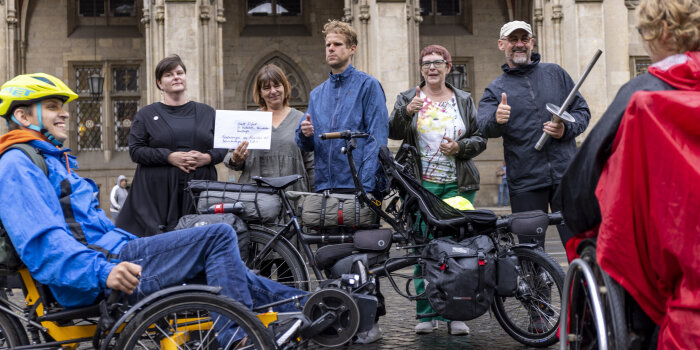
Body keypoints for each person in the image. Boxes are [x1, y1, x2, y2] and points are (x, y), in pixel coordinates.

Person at [0, 73, 305, 345]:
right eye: (53, 106)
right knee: (218, 236)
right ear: (24, 117)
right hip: (102, 274)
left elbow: (91, 228)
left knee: (227, 268)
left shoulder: (51, 158)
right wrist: (104, 271)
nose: (64, 113)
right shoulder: (18, 165)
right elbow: (43, 243)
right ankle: (236, 339)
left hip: (119, 256)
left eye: (62, 106)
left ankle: (309, 308)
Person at [559, 0, 700, 347]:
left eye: (643, 32)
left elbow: (578, 196)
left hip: (667, 277)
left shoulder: (642, 95)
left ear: (663, 32)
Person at [295, 19, 388, 344]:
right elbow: (308, 140)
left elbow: (377, 138)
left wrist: (365, 188)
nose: (330, 50)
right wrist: (303, 134)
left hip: (359, 190)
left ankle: (369, 322)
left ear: (351, 49)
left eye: (336, 44)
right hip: (326, 187)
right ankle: (339, 319)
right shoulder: (317, 93)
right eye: (327, 45)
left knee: (361, 260)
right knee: (329, 259)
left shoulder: (368, 86)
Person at [389, 44, 486, 335]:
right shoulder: (408, 97)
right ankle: (425, 312)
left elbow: (480, 139)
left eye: (438, 62)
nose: (432, 67)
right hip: (421, 186)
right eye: (426, 63)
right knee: (423, 247)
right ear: (421, 69)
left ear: (448, 66)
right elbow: (392, 130)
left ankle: (455, 314)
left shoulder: (464, 99)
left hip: (458, 183)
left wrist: (459, 147)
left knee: (458, 249)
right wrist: (407, 112)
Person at [476, 20, 591, 248]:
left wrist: (565, 129)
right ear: (501, 45)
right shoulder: (495, 89)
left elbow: (582, 111)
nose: (519, 44)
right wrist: (496, 119)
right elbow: (484, 125)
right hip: (526, 180)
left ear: (532, 43)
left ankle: (581, 285)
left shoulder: (555, 74)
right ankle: (537, 285)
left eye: (524, 39)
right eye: (513, 40)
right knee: (531, 251)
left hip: (565, 176)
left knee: (579, 244)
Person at [115, 54, 227, 237]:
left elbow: (223, 147)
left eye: (179, 72)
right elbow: (136, 151)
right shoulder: (146, 115)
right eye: (169, 74)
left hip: (199, 192)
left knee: (199, 241)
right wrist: (169, 157)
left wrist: (207, 158)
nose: (176, 77)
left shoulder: (207, 112)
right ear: (160, 83)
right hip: (159, 196)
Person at [225, 64, 314, 192]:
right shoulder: (249, 121)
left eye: (277, 85)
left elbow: (311, 163)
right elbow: (230, 159)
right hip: (256, 197)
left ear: (285, 86)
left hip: (293, 195)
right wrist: (236, 158)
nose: (273, 91)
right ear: (260, 93)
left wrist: (314, 197)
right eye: (266, 88)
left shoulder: (301, 119)